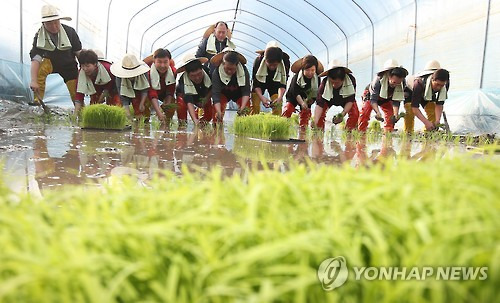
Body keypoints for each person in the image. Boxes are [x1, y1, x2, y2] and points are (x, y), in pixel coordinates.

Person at [29, 4, 82, 112]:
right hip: (50, 63)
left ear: (59, 20)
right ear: (43, 24)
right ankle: (38, 102)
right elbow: (36, 59)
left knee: (76, 89)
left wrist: (84, 73)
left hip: (68, 64)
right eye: (49, 23)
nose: (54, 26)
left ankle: (80, 110)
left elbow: (78, 53)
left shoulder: (70, 32)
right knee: (40, 70)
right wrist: (33, 81)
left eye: (56, 22)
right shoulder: (39, 36)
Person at [358, 59, 408, 132]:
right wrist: (377, 113)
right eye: (393, 82)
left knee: (390, 115)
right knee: (365, 113)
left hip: (387, 97)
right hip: (371, 96)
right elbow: (373, 99)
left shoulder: (402, 83)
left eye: (398, 83)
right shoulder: (378, 81)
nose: (395, 85)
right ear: (389, 75)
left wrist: (396, 114)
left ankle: (388, 133)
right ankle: (361, 133)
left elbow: (396, 100)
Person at [404, 60, 450, 132]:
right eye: (437, 84)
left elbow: (439, 103)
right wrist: (426, 122)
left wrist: (437, 120)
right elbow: (415, 107)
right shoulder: (418, 83)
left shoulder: (445, 84)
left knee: (432, 112)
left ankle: (428, 134)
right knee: (410, 111)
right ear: (432, 79)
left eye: (441, 85)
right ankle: (408, 134)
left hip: (428, 93)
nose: (438, 88)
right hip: (411, 92)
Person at [313, 60, 359, 130]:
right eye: (332, 82)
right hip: (328, 99)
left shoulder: (350, 81)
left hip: (345, 99)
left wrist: (342, 114)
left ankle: (348, 134)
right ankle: (319, 133)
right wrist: (315, 121)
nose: (334, 85)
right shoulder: (325, 83)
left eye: (337, 83)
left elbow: (350, 100)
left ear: (343, 80)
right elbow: (320, 104)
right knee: (319, 117)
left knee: (355, 114)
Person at [282, 55, 323, 128]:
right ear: (303, 69)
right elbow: (295, 92)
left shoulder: (317, 79)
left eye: (312, 70)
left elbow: (317, 92)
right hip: (294, 97)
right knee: (288, 109)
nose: (310, 72)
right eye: (307, 70)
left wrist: (312, 100)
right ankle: (282, 126)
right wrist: (301, 103)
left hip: (307, 99)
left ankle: (302, 132)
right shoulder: (296, 77)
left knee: (306, 115)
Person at [210, 47, 251, 123]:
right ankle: (217, 130)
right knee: (216, 114)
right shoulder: (216, 73)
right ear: (223, 63)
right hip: (223, 94)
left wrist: (242, 108)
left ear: (237, 65)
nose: (229, 71)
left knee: (246, 110)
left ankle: (242, 126)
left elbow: (246, 91)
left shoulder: (243, 71)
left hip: (239, 94)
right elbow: (216, 94)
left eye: (232, 69)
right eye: (227, 68)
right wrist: (218, 112)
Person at [251, 41, 291, 115]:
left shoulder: (285, 62)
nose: (272, 67)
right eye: (269, 64)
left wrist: (279, 98)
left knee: (277, 106)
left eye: (275, 65)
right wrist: (261, 97)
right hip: (260, 82)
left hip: (276, 82)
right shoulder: (258, 61)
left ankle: (275, 124)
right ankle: (252, 122)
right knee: (255, 105)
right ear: (265, 60)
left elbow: (283, 83)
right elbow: (255, 84)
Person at [175, 54, 214, 126]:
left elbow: (213, 88)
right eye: (193, 76)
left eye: (199, 74)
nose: (197, 78)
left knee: (208, 117)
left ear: (202, 69)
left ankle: (202, 122)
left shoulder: (209, 72)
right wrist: (194, 120)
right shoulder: (183, 81)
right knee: (181, 110)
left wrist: (206, 99)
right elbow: (189, 101)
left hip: (204, 95)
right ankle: (183, 124)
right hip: (185, 98)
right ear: (187, 74)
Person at [143, 48, 178, 122]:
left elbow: (170, 91)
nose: (162, 65)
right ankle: (145, 121)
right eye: (159, 62)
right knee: (144, 101)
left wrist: (167, 104)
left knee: (171, 104)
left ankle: (167, 122)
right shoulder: (148, 72)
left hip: (164, 94)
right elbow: (152, 93)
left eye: (165, 62)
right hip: (150, 96)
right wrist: (158, 112)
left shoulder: (173, 72)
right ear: (154, 61)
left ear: (169, 61)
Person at [110, 54, 150, 119]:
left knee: (141, 113)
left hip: (138, 92)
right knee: (119, 106)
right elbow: (121, 93)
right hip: (125, 92)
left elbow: (145, 90)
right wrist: (126, 109)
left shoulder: (144, 73)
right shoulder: (119, 77)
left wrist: (142, 103)